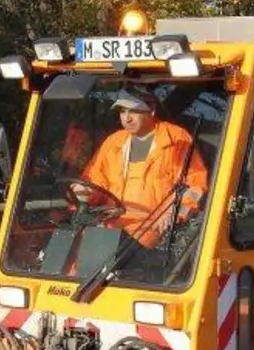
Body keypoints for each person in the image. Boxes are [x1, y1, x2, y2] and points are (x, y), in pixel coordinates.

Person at [73, 90, 209, 248]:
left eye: (134, 111)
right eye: (122, 111)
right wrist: (85, 192)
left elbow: (195, 184)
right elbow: (96, 179)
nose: (127, 118)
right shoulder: (113, 142)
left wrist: (176, 213)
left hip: (154, 228)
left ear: (152, 110)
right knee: (73, 248)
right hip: (110, 222)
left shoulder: (177, 138)